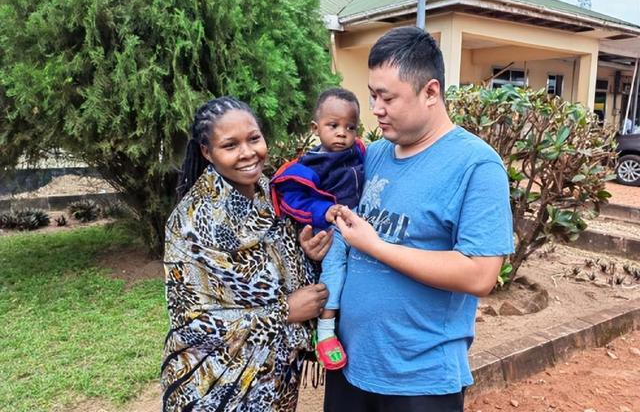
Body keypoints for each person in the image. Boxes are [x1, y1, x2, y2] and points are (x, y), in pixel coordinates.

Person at [324, 26, 514, 412]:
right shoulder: (374, 154)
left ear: (430, 92)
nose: (375, 108)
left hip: (419, 382)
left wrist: (376, 246)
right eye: (372, 95)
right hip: (350, 366)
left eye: (388, 97)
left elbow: (480, 275)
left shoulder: (476, 165)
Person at [161, 97, 332, 412]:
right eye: (230, 145)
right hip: (217, 387)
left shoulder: (274, 194)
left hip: (278, 376)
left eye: (254, 138)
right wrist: (284, 311)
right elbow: (193, 323)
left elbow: (285, 271)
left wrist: (308, 254)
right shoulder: (190, 223)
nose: (248, 152)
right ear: (207, 152)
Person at [271, 88, 365, 370]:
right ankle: (325, 332)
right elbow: (293, 200)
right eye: (333, 125)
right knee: (334, 270)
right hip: (332, 230)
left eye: (350, 127)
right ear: (315, 128)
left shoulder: (359, 152)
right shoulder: (309, 166)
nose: (342, 134)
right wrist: (322, 212)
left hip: (362, 225)